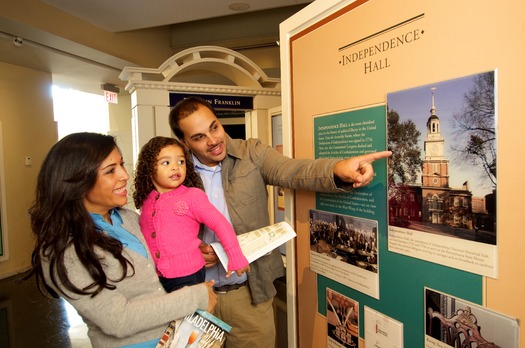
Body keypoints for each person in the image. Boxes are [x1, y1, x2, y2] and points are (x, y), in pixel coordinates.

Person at [169, 96, 392, 348]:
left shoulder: (251, 153)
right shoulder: (175, 174)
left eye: (214, 127)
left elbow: (293, 171)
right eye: (199, 137)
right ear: (184, 142)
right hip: (195, 299)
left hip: (249, 295)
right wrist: (189, 254)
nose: (213, 140)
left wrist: (339, 169)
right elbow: (159, 230)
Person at [24, 132, 217, 348]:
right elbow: (117, 319)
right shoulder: (66, 248)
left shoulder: (129, 218)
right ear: (78, 180)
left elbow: (158, 257)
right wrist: (196, 296)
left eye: (122, 165)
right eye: (110, 170)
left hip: (178, 337)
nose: (125, 175)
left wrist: (190, 253)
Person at [133, 136, 249, 292]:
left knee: (190, 316)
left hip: (188, 276)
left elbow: (220, 223)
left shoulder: (193, 196)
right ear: (149, 169)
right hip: (155, 277)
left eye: (180, 161)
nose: (175, 167)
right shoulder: (147, 200)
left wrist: (235, 256)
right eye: (166, 163)